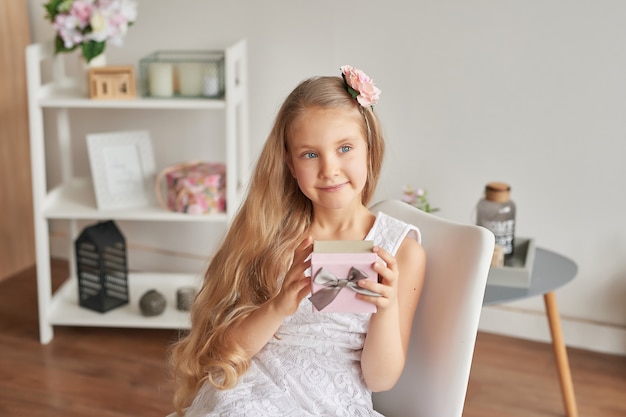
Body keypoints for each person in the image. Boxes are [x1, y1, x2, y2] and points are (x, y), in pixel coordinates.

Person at [169, 65, 426, 417]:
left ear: (370, 149)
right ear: (290, 163)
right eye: (310, 154)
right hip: (251, 393)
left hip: (333, 402)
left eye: (345, 148)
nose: (329, 169)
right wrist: (279, 305)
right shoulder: (272, 232)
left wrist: (386, 306)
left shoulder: (402, 250)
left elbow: (380, 380)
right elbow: (227, 352)